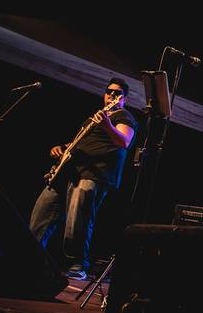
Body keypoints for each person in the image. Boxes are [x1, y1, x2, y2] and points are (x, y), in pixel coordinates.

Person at [29, 78, 137, 281]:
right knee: (41, 214)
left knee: (78, 219)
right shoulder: (93, 118)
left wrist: (107, 125)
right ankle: (29, 258)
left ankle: (77, 264)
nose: (111, 95)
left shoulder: (124, 116)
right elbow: (80, 143)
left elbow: (124, 141)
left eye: (117, 93)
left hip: (93, 173)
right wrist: (62, 148)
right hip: (68, 171)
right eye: (109, 91)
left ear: (124, 99)